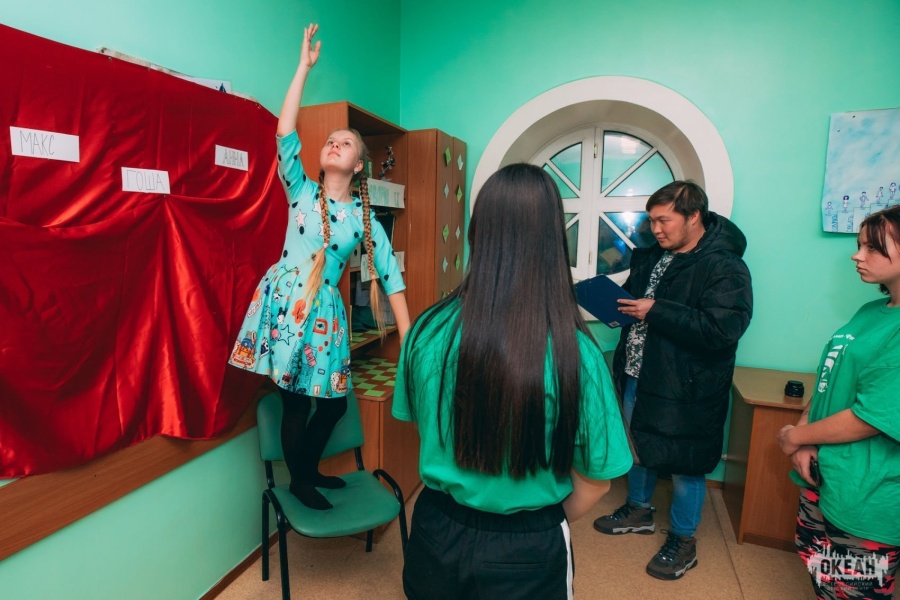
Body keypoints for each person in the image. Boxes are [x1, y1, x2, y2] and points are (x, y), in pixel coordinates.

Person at [392, 163, 633, 600]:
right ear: (553, 242)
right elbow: (597, 481)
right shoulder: (576, 353)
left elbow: (423, 425)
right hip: (529, 546)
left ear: (476, 233)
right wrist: (539, 526)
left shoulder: (425, 332)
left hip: (434, 531)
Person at [228, 24, 410, 510]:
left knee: (330, 403)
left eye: (345, 143)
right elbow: (284, 134)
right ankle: (301, 481)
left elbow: (391, 277)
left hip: (325, 313)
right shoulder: (302, 191)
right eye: (330, 139)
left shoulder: (363, 218)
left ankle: (306, 471)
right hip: (288, 303)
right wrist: (302, 69)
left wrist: (410, 338)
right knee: (294, 401)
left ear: (358, 166)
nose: (334, 143)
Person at [593, 180, 753, 580]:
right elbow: (635, 300)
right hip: (639, 371)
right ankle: (639, 510)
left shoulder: (725, 265)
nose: (656, 229)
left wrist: (655, 310)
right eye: (651, 221)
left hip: (688, 386)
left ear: (694, 216)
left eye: (664, 220)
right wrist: (611, 303)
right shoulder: (652, 256)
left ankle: (683, 540)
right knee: (638, 445)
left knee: (686, 463)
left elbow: (722, 329)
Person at [778, 206, 900, 600]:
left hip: (868, 492)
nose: (857, 255)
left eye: (872, 248)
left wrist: (795, 437)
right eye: (859, 245)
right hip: (827, 473)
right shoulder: (870, 311)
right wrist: (805, 437)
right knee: (823, 574)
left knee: (853, 590)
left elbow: (873, 417)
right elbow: (830, 378)